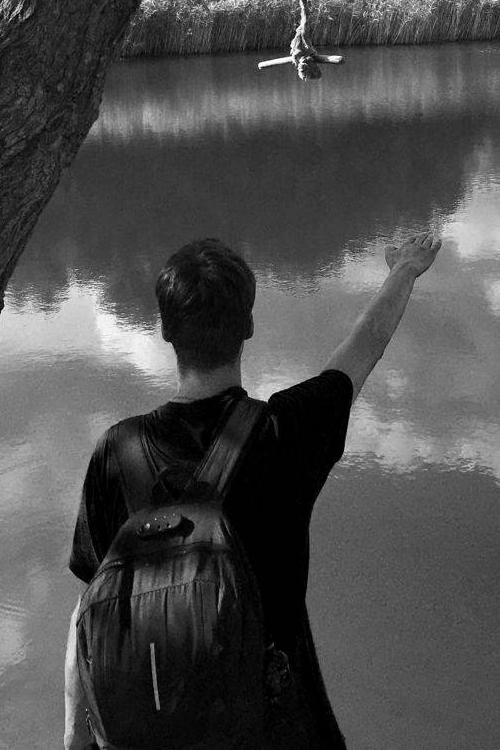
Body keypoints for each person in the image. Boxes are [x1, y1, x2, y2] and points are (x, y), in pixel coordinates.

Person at [64, 229, 441, 749]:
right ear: (248, 326)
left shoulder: (117, 450)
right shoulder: (285, 433)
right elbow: (364, 347)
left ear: (166, 331)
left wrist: (76, 736)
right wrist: (404, 270)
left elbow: (90, 608)